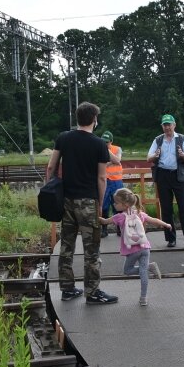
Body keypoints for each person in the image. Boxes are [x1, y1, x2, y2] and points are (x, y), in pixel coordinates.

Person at [47, 102, 118, 305]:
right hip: (87, 202)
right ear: (94, 120)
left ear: (77, 118)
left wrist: (49, 191)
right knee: (91, 250)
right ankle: (93, 292)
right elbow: (102, 178)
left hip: (66, 201)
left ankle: (67, 289)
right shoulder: (98, 144)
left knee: (66, 246)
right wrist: (100, 204)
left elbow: (51, 165)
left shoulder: (63, 138)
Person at [99, 188, 171, 306]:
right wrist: (166, 224)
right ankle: (144, 297)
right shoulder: (139, 213)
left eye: (116, 203)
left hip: (132, 250)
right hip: (145, 247)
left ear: (125, 204)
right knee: (143, 272)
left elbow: (104, 221)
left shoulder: (119, 217)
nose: (114, 204)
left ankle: (148, 268)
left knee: (127, 271)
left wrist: (94, 217)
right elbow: (153, 220)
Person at [147, 114, 184, 249]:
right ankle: (171, 239)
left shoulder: (182, 138)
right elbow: (149, 158)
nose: (167, 127)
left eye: (169, 124)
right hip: (163, 176)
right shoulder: (158, 140)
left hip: (179, 176)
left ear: (174, 125)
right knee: (166, 209)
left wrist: (183, 155)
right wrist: (155, 155)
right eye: (165, 125)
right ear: (162, 126)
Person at [100, 131, 124, 238]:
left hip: (116, 182)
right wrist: (111, 161)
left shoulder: (117, 149)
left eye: (107, 142)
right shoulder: (98, 149)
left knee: (118, 205)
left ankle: (119, 228)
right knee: (104, 206)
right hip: (104, 181)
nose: (105, 144)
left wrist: (107, 162)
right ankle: (104, 229)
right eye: (103, 142)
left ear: (111, 141)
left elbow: (118, 160)